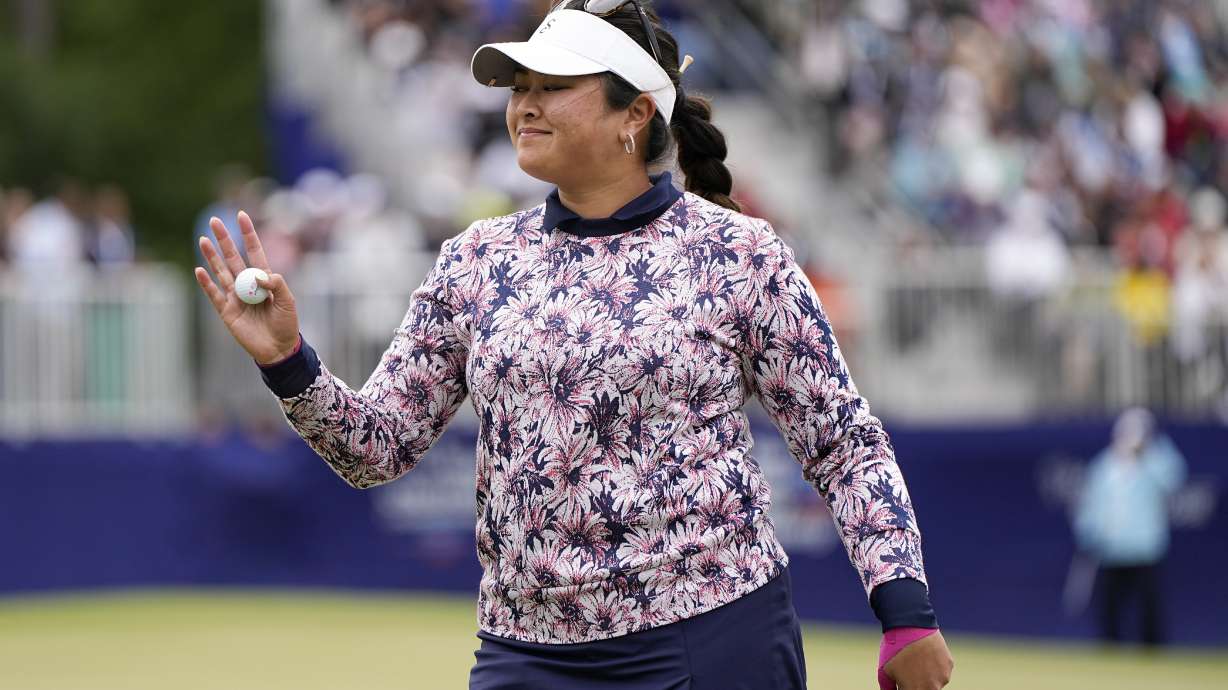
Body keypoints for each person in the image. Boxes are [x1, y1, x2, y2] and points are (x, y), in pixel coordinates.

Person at [194, 2, 954, 688]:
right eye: (518, 87)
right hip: (524, 655)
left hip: (716, 639)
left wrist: (905, 612)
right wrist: (287, 361)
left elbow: (844, 447)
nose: (523, 104)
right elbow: (377, 449)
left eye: (552, 85)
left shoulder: (739, 252)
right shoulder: (477, 259)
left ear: (633, 117)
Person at [1075, 407, 1187, 648]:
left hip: (1145, 549)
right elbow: (1090, 503)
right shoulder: (1104, 466)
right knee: (1110, 607)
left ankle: (1152, 650)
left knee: (1149, 606)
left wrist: (1150, 451)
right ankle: (1110, 649)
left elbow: (1174, 478)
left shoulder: (1154, 462)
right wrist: (1088, 532)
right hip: (1111, 550)